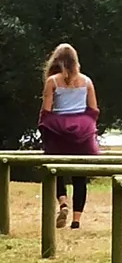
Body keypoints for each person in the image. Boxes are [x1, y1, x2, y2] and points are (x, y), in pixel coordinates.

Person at [37, 43, 100, 230]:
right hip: (82, 130)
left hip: (58, 129)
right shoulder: (87, 81)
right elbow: (93, 109)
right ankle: (76, 221)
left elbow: (46, 110)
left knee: (55, 170)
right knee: (80, 176)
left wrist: (45, 128)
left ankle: (63, 202)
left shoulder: (52, 81)